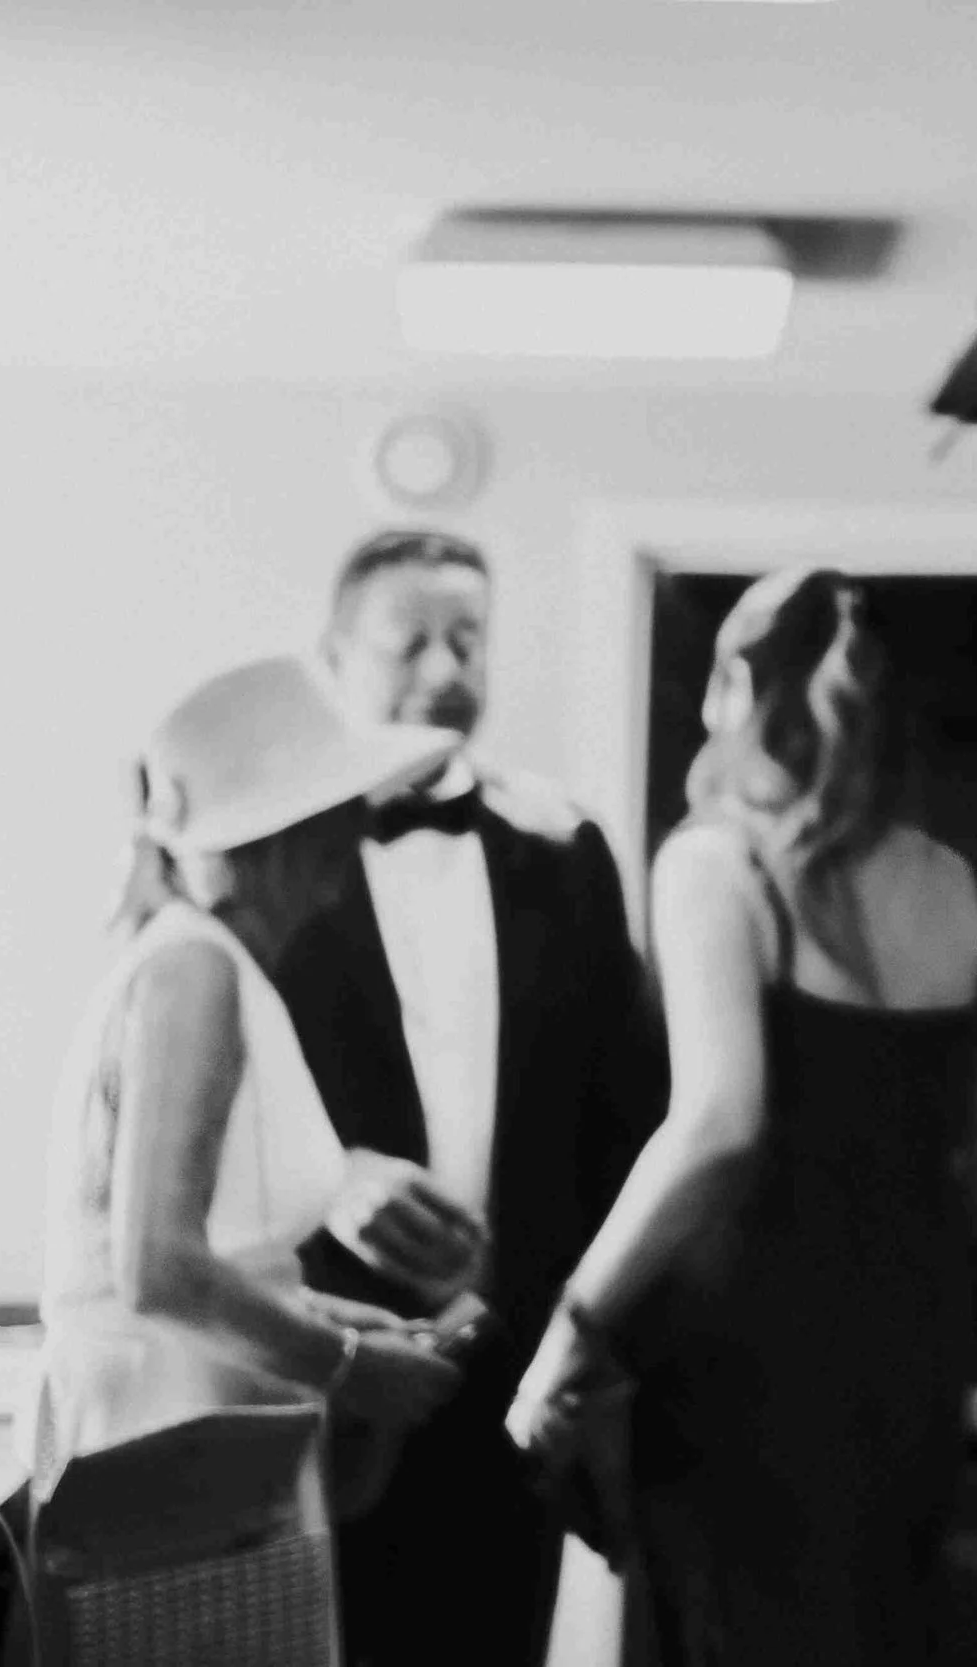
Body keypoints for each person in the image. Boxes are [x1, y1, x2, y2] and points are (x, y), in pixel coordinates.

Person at [505, 565, 977, 1666]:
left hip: (738, 1365)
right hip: (911, 1354)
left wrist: (575, 1323)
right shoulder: (969, 899)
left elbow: (717, 1121)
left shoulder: (717, 863)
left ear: (736, 687)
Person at [273, 529, 668, 1667]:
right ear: (336, 656)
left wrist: (593, 1354)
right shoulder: (272, 853)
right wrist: (333, 1176)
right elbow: (221, 1098)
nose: (448, 670)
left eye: (469, 638)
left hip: (515, 1375)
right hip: (322, 1369)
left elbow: (623, 1116)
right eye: (413, 641)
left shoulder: (567, 846)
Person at [29, 656, 465, 1662]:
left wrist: (332, 1312)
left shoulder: (205, 965)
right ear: (292, 837)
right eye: (339, 815)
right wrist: (352, 1367)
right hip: (172, 1470)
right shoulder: (194, 971)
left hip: (212, 1463)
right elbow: (155, 1267)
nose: (353, 842)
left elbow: (218, 1254)